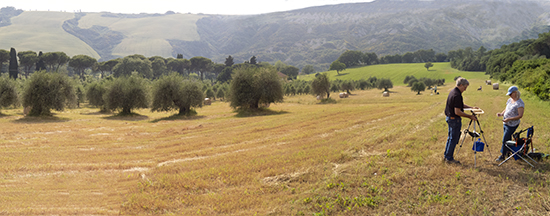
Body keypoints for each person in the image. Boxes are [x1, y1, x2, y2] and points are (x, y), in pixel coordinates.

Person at [444, 77, 478, 164]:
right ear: (461, 85)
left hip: (450, 118)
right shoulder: (457, 95)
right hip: (454, 120)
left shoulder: (453, 92)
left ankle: (447, 156)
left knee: (450, 138)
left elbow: (460, 105)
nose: (465, 89)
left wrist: (471, 107)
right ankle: (449, 158)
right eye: (465, 87)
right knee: (453, 139)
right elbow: (458, 111)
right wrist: (470, 116)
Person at [495, 86, 524, 162]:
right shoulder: (510, 100)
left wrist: (509, 119)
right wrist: (501, 114)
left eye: (511, 94)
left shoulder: (520, 103)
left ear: (515, 93)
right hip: (506, 123)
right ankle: (508, 152)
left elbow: (520, 116)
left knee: (504, 140)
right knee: (507, 138)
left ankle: (502, 156)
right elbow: (507, 108)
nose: (509, 95)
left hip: (512, 124)